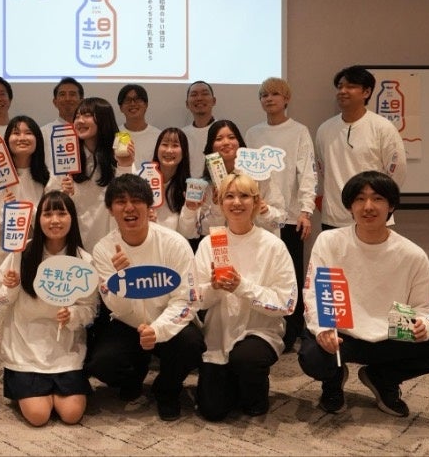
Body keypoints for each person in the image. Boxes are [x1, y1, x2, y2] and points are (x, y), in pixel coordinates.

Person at [298, 171, 429, 417]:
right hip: (343, 335)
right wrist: (322, 329)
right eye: (360, 199)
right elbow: (314, 293)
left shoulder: (412, 254)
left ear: (391, 206)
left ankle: (383, 378)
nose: (368, 206)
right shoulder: (330, 241)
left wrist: (423, 325)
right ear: (350, 207)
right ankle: (333, 382)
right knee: (313, 357)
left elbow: (428, 305)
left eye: (377, 198)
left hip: (391, 336)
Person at [86, 174, 204, 422]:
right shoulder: (104, 249)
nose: (129, 207)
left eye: (137, 200)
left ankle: (167, 389)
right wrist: (121, 281)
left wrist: (157, 330)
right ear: (110, 210)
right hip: (127, 322)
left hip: (167, 319)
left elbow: (186, 299)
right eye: (121, 201)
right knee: (102, 363)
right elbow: (114, 307)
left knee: (192, 345)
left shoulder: (174, 243)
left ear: (150, 206)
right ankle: (133, 377)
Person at [194, 172, 297, 421]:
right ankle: (231, 379)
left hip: (260, 332)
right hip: (218, 334)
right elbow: (196, 299)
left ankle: (254, 390)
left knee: (246, 362)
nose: (237, 202)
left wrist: (242, 287)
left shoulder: (273, 246)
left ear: (256, 202)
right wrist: (215, 287)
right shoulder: (210, 243)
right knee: (212, 410)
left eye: (244, 196)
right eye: (229, 196)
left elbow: (286, 303)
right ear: (221, 203)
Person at [0, 191, 98, 426]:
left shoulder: (83, 260)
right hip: (26, 347)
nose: (55, 220)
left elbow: (90, 309)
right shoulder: (22, 252)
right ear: (38, 219)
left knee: (71, 414)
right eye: (47, 214)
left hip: (65, 348)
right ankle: (34, 391)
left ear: (72, 218)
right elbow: (0, 300)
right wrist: (10, 286)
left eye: (61, 213)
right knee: (38, 416)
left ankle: (52, 391)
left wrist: (72, 315)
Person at [0, 115, 50, 380]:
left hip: (32, 249)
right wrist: (6, 212)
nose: (22, 137)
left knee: (27, 303)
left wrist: (27, 213)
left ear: (37, 140)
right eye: (16, 132)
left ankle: (24, 358)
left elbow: (53, 217)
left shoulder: (46, 178)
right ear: (7, 140)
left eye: (28, 132)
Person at [245, 77, 318, 351]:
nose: (269, 98)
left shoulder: (299, 131)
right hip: (259, 217)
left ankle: (292, 329)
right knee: (262, 272)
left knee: (290, 274)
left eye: (275, 94)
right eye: (264, 95)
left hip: (289, 217)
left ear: (286, 99)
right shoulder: (252, 133)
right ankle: (263, 325)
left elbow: (307, 172)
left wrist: (306, 211)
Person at [314, 65, 407, 229]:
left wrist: (378, 203)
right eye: (340, 87)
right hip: (334, 218)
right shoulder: (324, 129)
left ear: (366, 92)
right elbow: (322, 169)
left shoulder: (383, 127)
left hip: (372, 216)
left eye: (350, 86)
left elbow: (397, 170)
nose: (343, 91)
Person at [46, 97, 136, 249]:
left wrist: (125, 165)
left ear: (103, 120)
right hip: (75, 239)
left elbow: (129, 196)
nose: (80, 121)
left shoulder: (119, 154)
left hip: (111, 239)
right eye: (77, 116)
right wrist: (63, 193)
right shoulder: (67, 156)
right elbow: (50, 198)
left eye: (87, 115)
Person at [179, 120, 284, 241]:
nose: (226, 142)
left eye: (231, 137)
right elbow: (203, 232)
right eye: (219, 139)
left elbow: (280, 222)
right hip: (222, 247)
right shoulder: (205, 185)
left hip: (257, 245)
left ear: (240, 143)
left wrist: (266, 211)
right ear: (211, 147)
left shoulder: (259, 176)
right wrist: (217, 207)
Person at [148, 127, 196, 237]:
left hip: (174, 245)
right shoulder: (143, 180)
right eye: (165, 144)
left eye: (175, 145)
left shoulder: (189, 189)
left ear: (184, 152)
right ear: (157, 149)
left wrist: (190, 209)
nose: (169, 150)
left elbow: (187, 234)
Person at [40, 77, 84, 174]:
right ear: (55, 102)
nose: (67, 99)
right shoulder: (43, 132)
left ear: (81, 101)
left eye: (72, 94)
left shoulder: (89, 131)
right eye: (62, 94)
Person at [117, 84, 161, 168]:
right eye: (127, 100)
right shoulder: (115, 134)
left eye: (137, 99)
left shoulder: (159, 136)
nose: (133, 103)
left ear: (146, 105)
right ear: (121, 108)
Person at [181, 80, 218, 178]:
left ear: (214, 101)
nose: (199, 98)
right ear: (187, 104)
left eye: (205, 94)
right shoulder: (182, 135)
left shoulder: (224, 131)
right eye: (194, 95)